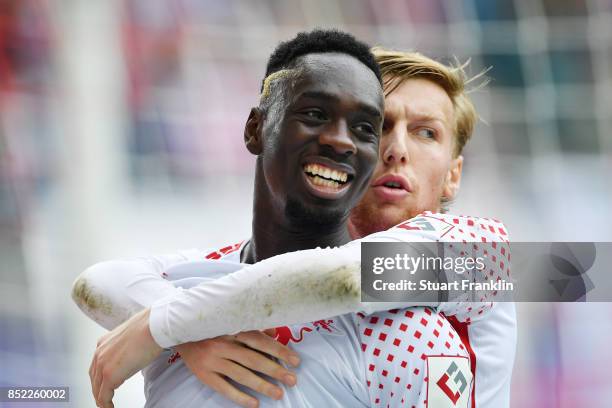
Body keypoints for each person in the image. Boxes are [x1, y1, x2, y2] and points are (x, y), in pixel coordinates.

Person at [75, 35, 513, 408]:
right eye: (380, 127)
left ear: (454, 174)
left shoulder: (480, 254)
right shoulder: (235, 276)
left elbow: (344, 278)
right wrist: (189, 335)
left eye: (426, 132)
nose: (396, 149)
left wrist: (163, 326)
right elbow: (102, 279)